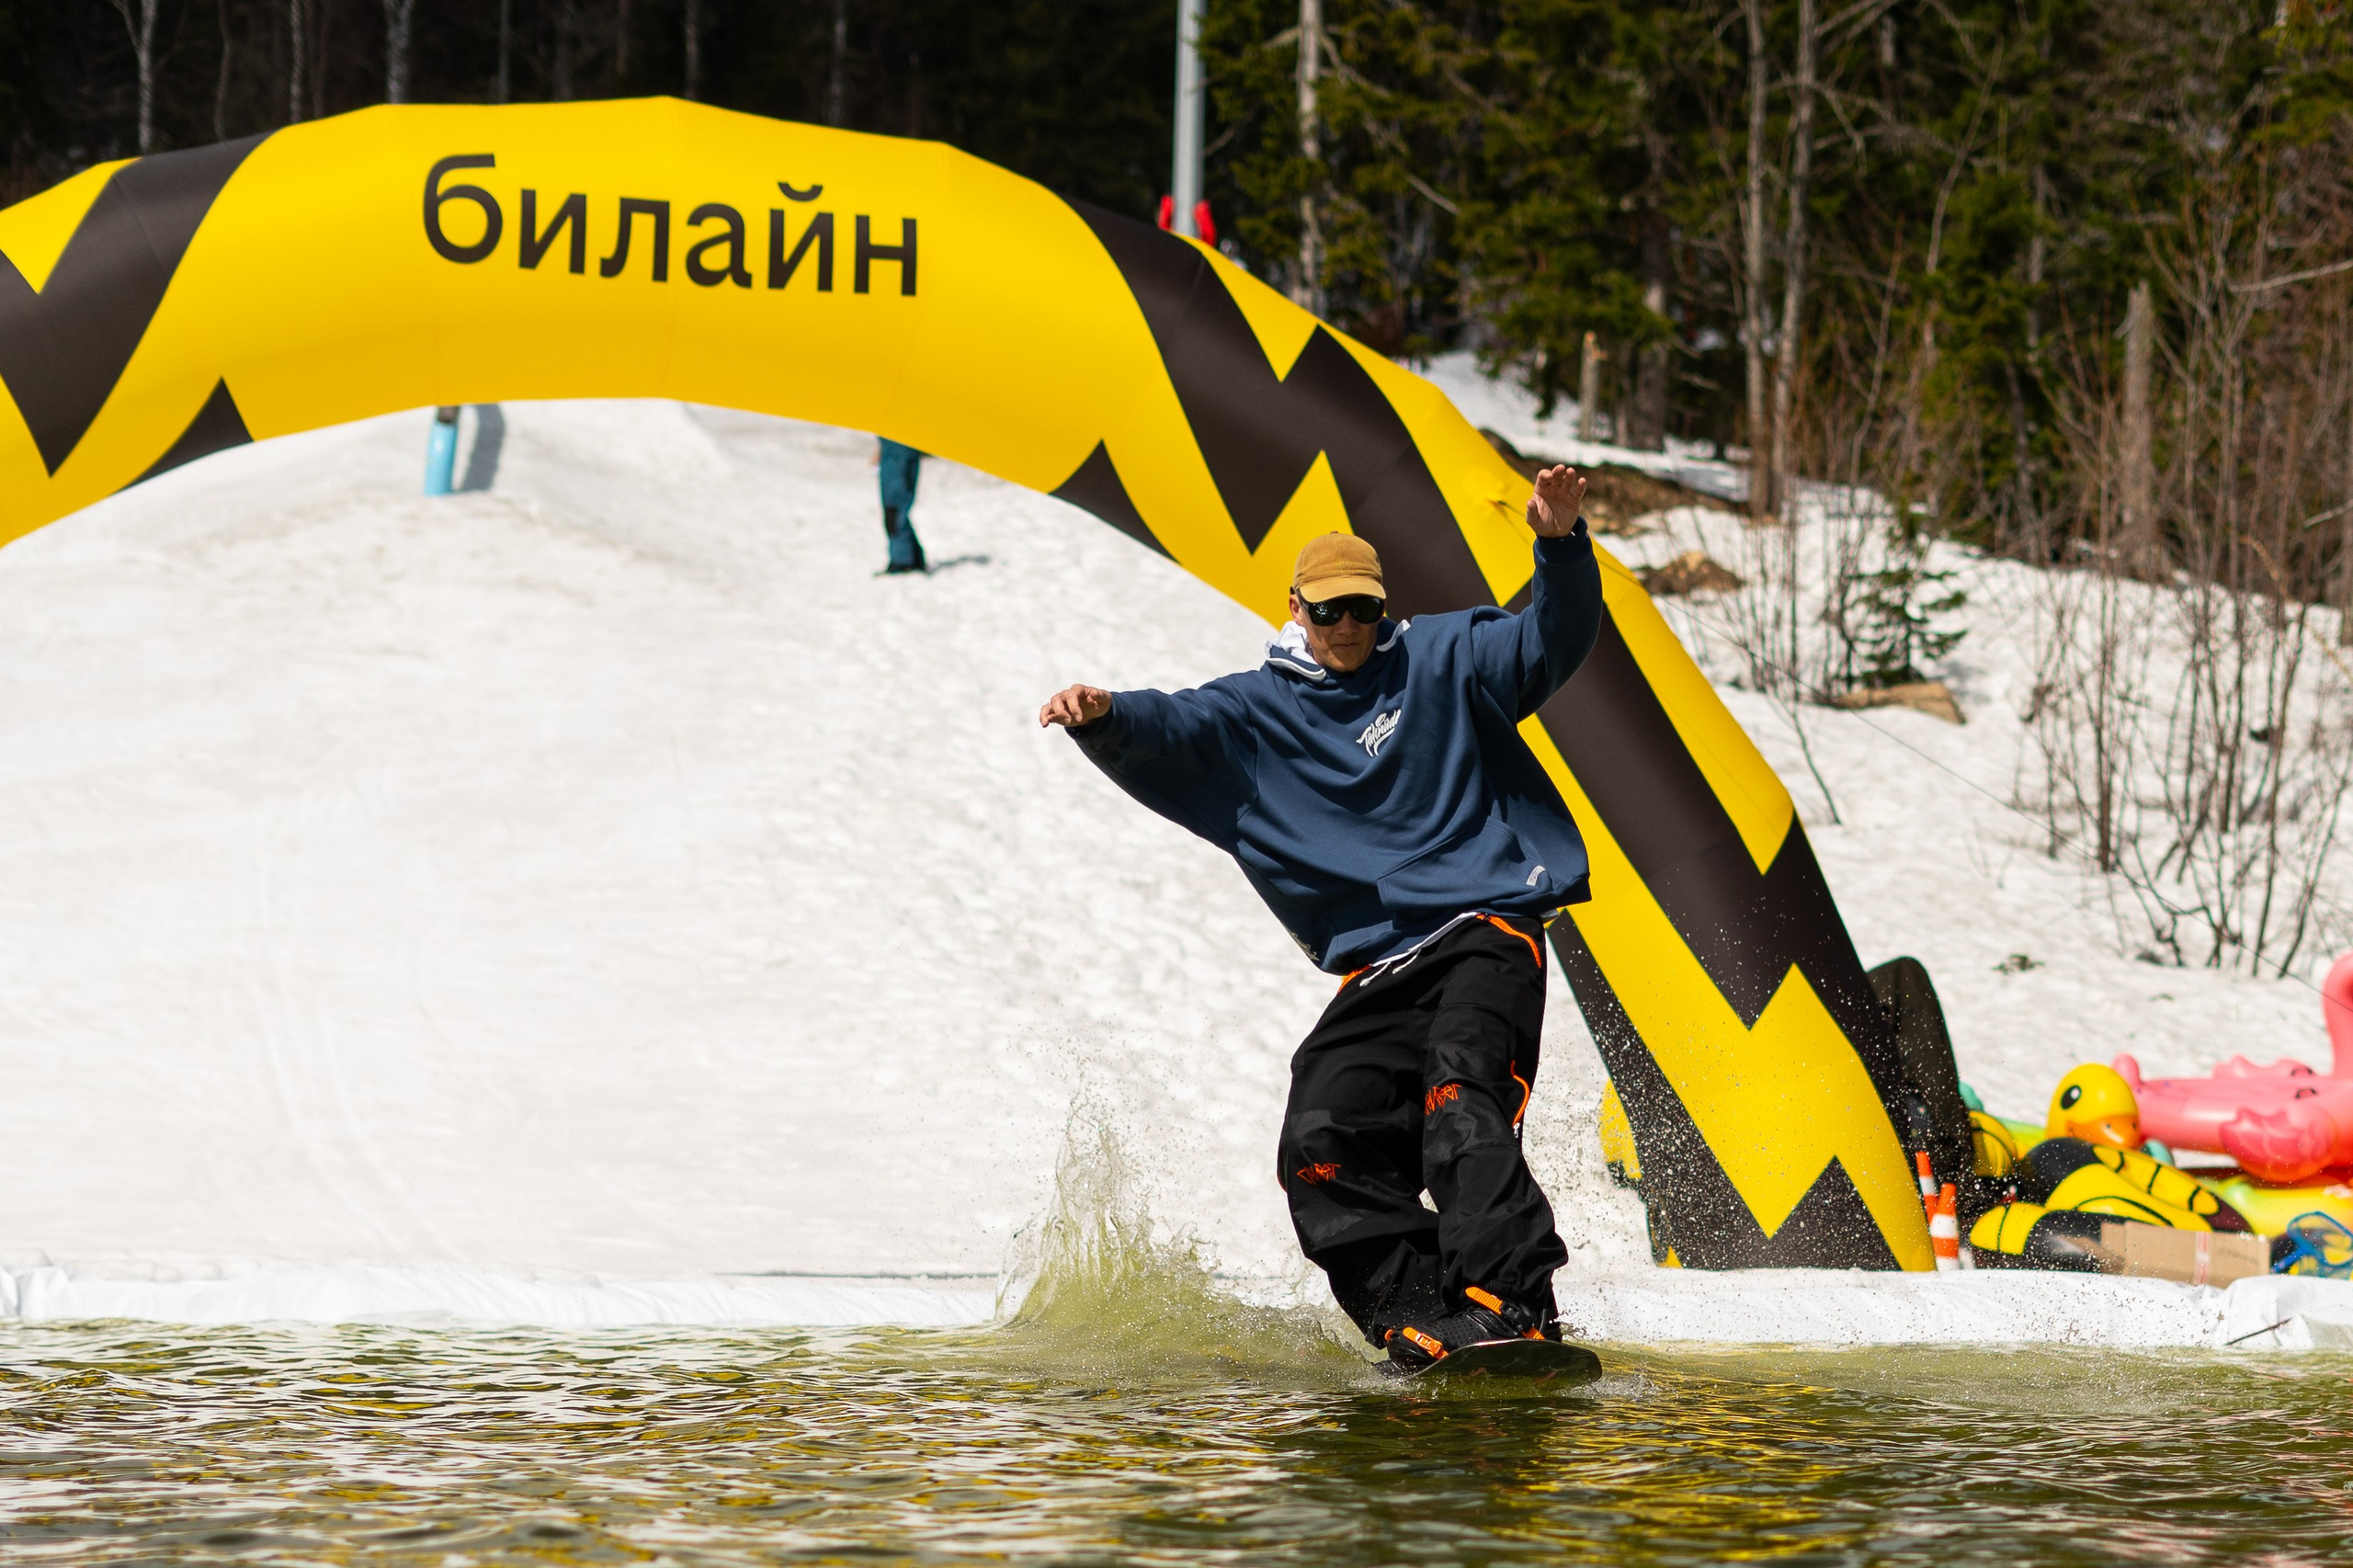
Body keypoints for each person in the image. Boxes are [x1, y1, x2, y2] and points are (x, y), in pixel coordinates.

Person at [1039, 465, 1601, 1368]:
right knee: (1320, 1136)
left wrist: (1560, 543)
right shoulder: (1256, 709)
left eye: (1363, 612)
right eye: (1329, 611)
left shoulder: (1444, 656)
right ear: (1294, 607)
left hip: (1484, 931)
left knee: (1461, 1093)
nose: (1347, 629)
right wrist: (1103, 715)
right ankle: (1416, 1310)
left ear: (1384, 608)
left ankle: (1510, 1302)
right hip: (1379, 966)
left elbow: (1551, 638)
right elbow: (1175, 727)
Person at [876, 437, 928, 574]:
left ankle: (904, 562)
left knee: (894, 511)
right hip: (895, 450)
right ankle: (912, 558)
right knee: (896, 511)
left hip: (898, 452)